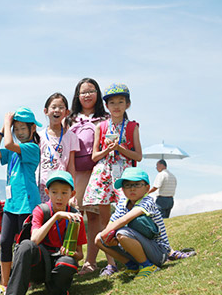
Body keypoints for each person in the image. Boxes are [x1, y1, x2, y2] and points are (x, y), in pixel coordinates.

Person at [2, 171, 86, 295]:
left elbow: (80, 255)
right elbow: (34, 240)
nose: (59, 197)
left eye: (64, 193)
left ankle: (56, 291)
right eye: (54, 192)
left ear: (72, 194)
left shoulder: (75, 217)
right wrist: (56, 217)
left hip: (60, 262)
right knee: (26, 245)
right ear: (47, 192)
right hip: (39, 263)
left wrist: (71, 253)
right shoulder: (41, 210)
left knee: (68, 263)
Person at [83, 83, 143, 277]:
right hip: (103, 173)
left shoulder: (132, 126)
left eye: (121, 102)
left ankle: (131, 254)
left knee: (126, 214)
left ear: (128, 104)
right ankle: (111, 262)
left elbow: (138, 156)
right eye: (112, 102)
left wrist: (120, 149)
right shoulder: (100, 126)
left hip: (124, 173)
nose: (116, 106)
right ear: (107, 106)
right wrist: (107, 150)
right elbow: (94, 156)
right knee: (104, 218)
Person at [0, 108, 41, 295]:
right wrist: (2, 130)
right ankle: (3, 283)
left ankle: (23, 281)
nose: (19, 132)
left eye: (22, 128)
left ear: (32, 128)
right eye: (16, 128)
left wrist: (7, 121)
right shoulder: (12, 150)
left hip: (27, 204)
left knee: (23, 246)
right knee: (4, 242)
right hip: (11, 204)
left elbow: (9, 144)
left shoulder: (31, 148)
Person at [65, 78, 110, 276]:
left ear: (98, 94)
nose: (87, 95)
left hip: (97, 171)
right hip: (74, 172)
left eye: (91, 91)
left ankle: (91, 262)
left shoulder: (105, 118)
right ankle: (72, 259)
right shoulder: (70, 119)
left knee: (94, 216)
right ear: (77, 96)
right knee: (73, 216)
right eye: (83, 92)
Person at [95, 168, 170, 279]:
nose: (132, 189)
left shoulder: (148, 201)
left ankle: (148, 266)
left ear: (147, 188)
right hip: (138, 245)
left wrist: (105, 233)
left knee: (122, 233)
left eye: (137, 184)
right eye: (127, 185)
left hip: (159, 252)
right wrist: (107, 237)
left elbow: (125, 219)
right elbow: (112, 223)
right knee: (98, 240)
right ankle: (133, 266)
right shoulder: (122, 203)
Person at [37, 93, 79, 202]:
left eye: (61, 108)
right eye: (53, 107)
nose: (57, 110)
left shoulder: (71, 137)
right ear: (45, 111)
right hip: (41, 185)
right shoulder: (38, 136)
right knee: (42, 216)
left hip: (61, 185)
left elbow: (71, 166)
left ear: (67, 112)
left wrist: (72, 189)